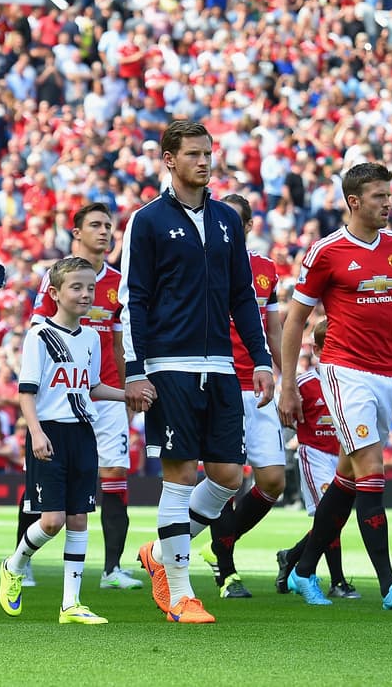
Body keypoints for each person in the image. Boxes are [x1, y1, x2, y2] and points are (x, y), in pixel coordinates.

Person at [278, 162, 392, 610]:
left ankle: (300, 568)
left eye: (389, 195)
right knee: (372, 469)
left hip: (384, 372)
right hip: (344, 370)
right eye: (379, 196)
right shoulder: (326, 251)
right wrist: (287, 384)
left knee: (349, 477)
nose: (388, 203)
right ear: (354, 201)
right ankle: (390, 584)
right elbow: (295, 320)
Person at [121, 119, 274, 625]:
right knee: (181, 476)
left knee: (229, 475)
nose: (204, 161)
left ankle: (161, 554)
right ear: (169, 159)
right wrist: (135, 370)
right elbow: (133, 300)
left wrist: (263, 360)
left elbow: (243, 299)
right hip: (169, 367)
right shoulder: (146, 221)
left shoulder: (227, 222)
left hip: (223, 367)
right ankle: (181, 594)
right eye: (193, 154)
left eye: (208, 153)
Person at [0, 257, 128, 624]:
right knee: (51, 520)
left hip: (82, 432)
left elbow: (93, 387)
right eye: (76, 287)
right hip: (49, 432)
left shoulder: (90, 338)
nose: (85, 293)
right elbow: (26, 392)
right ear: (54, 293)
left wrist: (129, 395)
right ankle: (14, 564)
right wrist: (36, 432)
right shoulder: (39, 335)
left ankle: (71, 604)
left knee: (79, 519)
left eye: (90, 287)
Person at [27, 202, 141, 590]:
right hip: (60, 394)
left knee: (114, 475)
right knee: (46, 482)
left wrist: (126, 393)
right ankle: (22, 559)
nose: (105, 232)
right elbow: (38, 330)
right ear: (76, 233)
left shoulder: (119, 282)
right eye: (95, 225)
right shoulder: (58, 278)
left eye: (109, 226)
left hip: (104, 392)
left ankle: (112, 570)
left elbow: (121, 344)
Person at [200, 194, 286, 599]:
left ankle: (204, 545)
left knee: (272, 481)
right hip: (219, 380)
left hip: (259, 382)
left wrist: (282, 376)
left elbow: (272, 330)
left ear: (248, 227)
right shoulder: (202, 260)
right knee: (226, 478)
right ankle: (227, 573)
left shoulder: (266, 270)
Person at [275, 319, 358, 599]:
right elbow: (285, 418)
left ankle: (291, 556)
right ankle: (337, 582)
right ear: (317, 349)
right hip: (315, 455)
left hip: (342, 456)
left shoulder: (349, 382)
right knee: (329, 513)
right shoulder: (303, 384)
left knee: (332, 519)